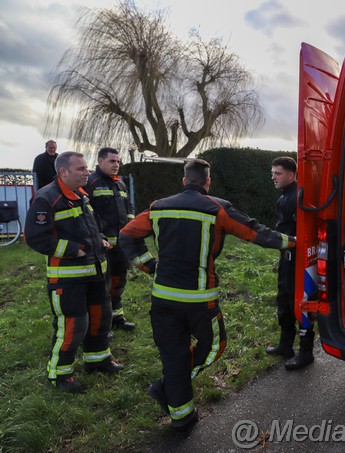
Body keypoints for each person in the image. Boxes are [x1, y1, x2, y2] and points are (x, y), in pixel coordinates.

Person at [119, 158, 295, 431]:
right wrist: (291, 242)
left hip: (162, 298)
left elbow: (127, 235)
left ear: (184, 180)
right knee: (214, 345)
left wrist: (149, 266)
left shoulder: (158, 207)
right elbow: (255, 232)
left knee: (174, 355)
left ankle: (182, 415)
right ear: (208, 182)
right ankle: (168, 388)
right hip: (200, 299)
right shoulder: (217, 208)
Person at [25, 151, 123, 394]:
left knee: (101, 318)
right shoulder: (46, 199)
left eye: (86, 168)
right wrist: (72, 250)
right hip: (68, 279)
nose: (86, 172)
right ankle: (60, 374)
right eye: (80, 169)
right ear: (63, 172)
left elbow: (91, 227)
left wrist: (99, 239)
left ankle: (98, 359)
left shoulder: (81, 194)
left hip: (95, 273)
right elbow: (35, 237)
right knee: (73, 324)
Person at [265, 156, 314, 370]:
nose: (273, 177)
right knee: (283, 299)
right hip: (287, 258)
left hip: (299, 260)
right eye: (273, 172)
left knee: (301, 302)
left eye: (278, 173)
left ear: (291, 175)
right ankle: (285, 346)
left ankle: (306, 352)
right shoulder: (285, 197)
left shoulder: (297, 197)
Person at [85, 148, 136, 331]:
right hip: (102, 247)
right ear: (100, 161)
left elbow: (128, 208)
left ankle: (117, 319)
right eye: (112, 161)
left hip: (121, 246)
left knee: (118, 283)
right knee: (101, 288)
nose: (116, 165)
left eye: (118, 162)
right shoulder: (91, 183)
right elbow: (86, 216)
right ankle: (101, 325)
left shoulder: (119, 183)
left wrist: (130, 230)